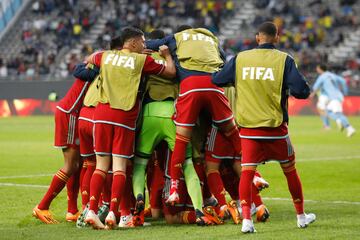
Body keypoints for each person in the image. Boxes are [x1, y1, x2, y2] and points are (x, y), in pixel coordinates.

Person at [212, 22, 316, 233]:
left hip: (249, 130)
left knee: (247, 174)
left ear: (257, 37)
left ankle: (247, 222)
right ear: (276, 38)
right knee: (290, 172)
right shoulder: (284, 60)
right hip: (276, 129)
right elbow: (302, 91)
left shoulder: (240, 58)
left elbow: (218, 79)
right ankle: (301, 217)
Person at [83, 27, 176, 230]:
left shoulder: (104, 56)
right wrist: (167, 55)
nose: (144, 46)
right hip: (124, 117)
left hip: (101, 115)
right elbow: (171, 72)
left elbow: (89, 58)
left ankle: (91, 210)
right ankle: (114, 215)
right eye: (142, 42)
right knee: (119, 167)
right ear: (133, 43)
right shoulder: (141, 60)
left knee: (100, 166)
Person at [145, 25, 242, 206]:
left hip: (184, 95)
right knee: (229, 140)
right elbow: (222, 60)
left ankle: (173, 190)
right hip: (214, 90)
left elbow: (153, 44)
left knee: (179, 146)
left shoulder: (176, 41)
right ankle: (251, 185)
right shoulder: (211, 40)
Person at [132, 29, 216, 226]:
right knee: (186, 164)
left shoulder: (143, 58)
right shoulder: (177, 58)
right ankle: (198, 210)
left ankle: (138, 200)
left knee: (140, 165)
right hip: (173, 114)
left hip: (149, 113)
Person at [32, 62, 99, 224]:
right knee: (71, 165)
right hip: (70, 114)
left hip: (73, 114)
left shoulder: (92, 67)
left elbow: (79, 69)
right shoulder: (98, 69)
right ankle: (42, 206)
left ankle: (72, 211)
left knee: (78, 163)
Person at [311, 64, 356, 137]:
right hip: (338, 96)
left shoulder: (322, 77)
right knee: (329, 111)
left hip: (333, 97)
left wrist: (313, 93)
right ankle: (339, 121)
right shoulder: (332, 75)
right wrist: (345, 92)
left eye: (317, 68)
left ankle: (349, 128)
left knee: (336, 113)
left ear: (320, 69)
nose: (316, 70)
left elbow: (315, 87)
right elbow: (343, 81)